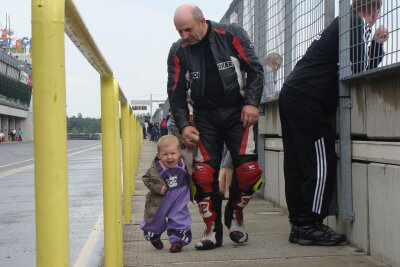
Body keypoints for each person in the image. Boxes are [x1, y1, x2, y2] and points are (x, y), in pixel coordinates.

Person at [278, 0, 387, 246]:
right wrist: (378, 47)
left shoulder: (342, 24)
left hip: (294, 95)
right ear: (376, 9)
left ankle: (299, 225)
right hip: (308, 100)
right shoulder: (353, 25)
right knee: (320, 162)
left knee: (297, 163)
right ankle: (310, 225)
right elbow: (360, 70)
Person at [167, 4, 264, 250]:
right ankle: (211, 230)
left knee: (250, 171)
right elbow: (176, 94)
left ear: (202, 21)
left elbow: (254, 69)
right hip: (204, 119)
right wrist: (185, 126)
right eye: (179, 31)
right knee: (201, 174)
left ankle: (235, 214)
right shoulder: (178, 50)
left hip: (238, 113)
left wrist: (252, 103)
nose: (183, 36)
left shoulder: (231, 34)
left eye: (187, 30)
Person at [140, 135, 196, 253]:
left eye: (173, 153)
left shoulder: (184, 162)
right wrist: (158, 188)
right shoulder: (156, 169)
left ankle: (177, 241)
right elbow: (146, 178)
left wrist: (194, 139)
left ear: (179, 153)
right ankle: (154, 236)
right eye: (165, 154)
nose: (169, 157)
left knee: (179, 216)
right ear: (158, 155)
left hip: (179, 197)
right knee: (156, 219)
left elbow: (194, 151)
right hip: (161, 199)